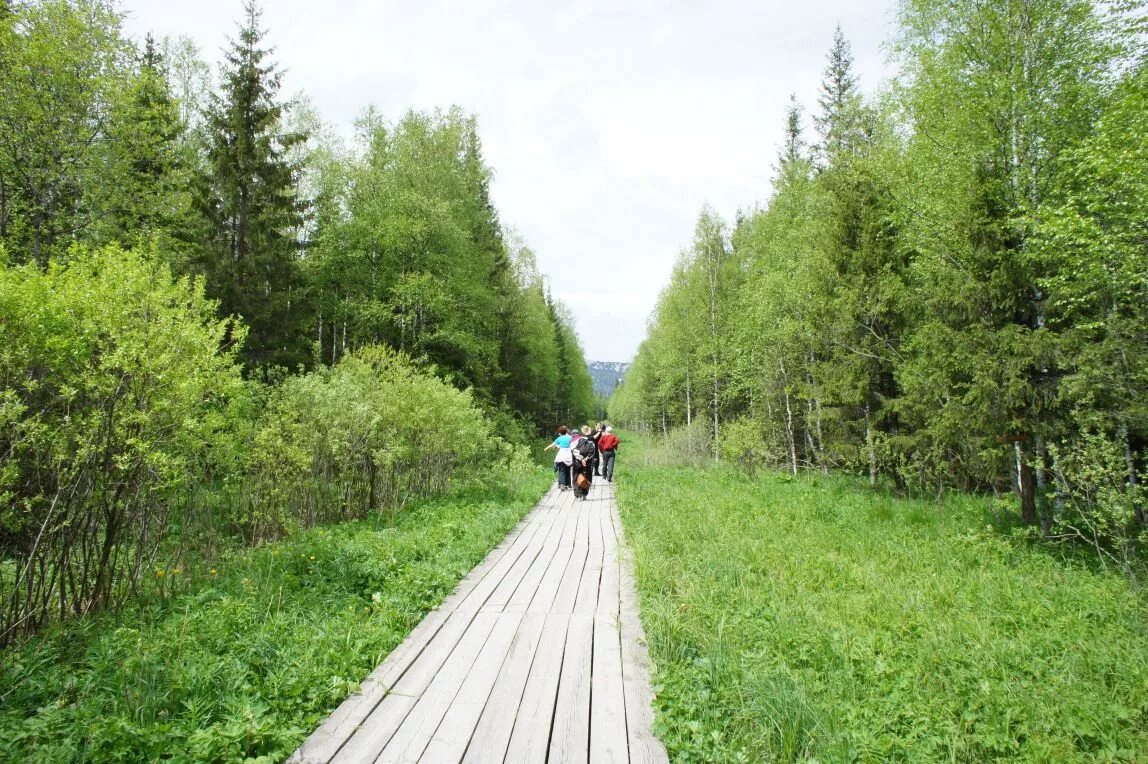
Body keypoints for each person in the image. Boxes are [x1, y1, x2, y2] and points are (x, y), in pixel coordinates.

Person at [543, 426, 574, 490]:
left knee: (562, 470)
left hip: (561, 456)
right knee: (568, 470)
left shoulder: (559, 438)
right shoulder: (570, 437)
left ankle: (562, 484)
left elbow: (552, 444)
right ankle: (568, 485)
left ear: (559, 433)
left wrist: (546, 449)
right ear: (566, 432)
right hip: (568, 455)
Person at [571, 425, 597, 500]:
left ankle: (577, 495)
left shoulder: (577, 440)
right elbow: (592, 452)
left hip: (577, 463)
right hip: (587, 464)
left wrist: (581, 458)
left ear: (582, 431)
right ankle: (584, 494)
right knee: (586, 478)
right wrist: (586, 459)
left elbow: (573, 451)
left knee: (576, 478)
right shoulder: (591, 442)